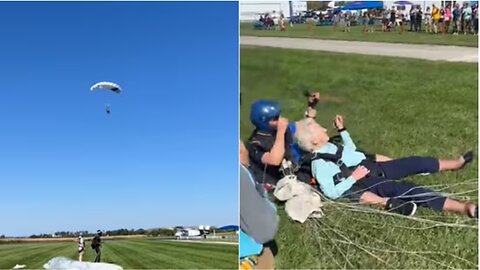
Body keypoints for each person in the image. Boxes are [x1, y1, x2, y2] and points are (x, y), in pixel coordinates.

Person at [294, 116, 477, 217]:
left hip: (373, 167)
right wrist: (354, 178)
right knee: (409, 190)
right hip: (365, 182)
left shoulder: (329, 146)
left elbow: (353, 152)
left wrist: (343, 131)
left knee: (415, 162)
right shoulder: (319, 165)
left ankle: (456, 163)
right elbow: (332, 192)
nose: (325, 129)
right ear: (314, 141)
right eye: (320, 129)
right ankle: (464, 208)